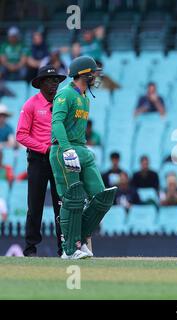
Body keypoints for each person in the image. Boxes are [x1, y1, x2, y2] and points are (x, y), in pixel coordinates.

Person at [49, 55, 118, 259]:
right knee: (73, 198)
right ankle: (70, 249)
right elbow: (57, 123)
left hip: (81, 149)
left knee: (101, 197)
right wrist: (66, 148)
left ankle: (81, 237)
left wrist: (82, 148)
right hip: (64, 151)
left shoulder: (85, 98)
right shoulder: (65, 94)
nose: (96, 77)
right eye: (92, 73)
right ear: (83, 74)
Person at [16, 65, 66, 257]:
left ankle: (64, 249)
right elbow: (21, 135)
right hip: (38, 159)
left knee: (60, 204)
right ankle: (30, 250)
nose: (54, 85)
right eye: (50, 81)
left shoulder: (61, 103)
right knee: (35, 205)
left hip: (58, 159)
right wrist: (45, 148)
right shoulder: (31, 104)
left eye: (56, 81)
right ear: (40, 84)